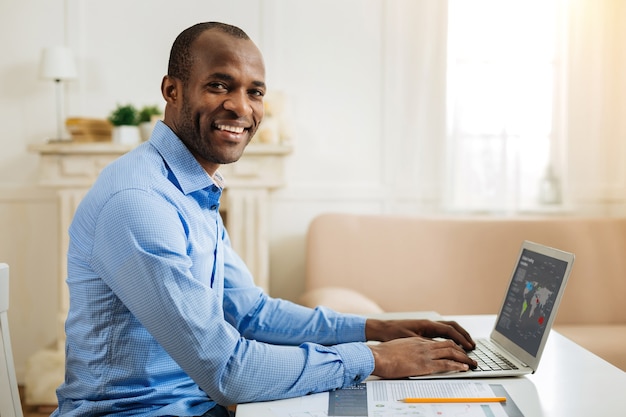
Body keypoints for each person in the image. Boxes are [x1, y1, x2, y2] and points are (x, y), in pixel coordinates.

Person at [51, 22, 477, 417]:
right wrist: (376, 358)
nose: (240, 107)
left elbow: (252, 314)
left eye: (254, 92)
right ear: (172, 90)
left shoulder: (191, 187)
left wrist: (378, 329)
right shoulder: (139, 202)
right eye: (219, 85)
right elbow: (229, 371)